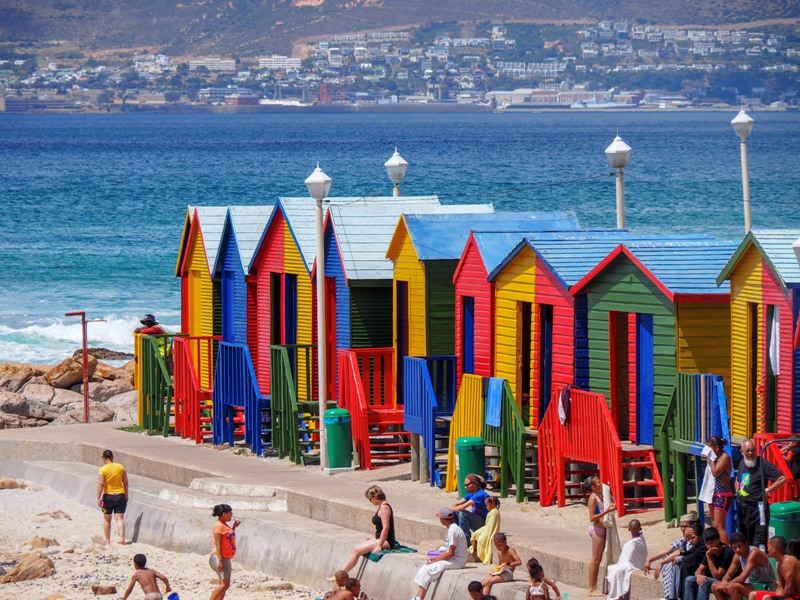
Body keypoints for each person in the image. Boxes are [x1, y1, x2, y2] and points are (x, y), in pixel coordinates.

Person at [736, 439, 787, 550]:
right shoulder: (741, 463)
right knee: (743, 537)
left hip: (756, 508)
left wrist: (768, 490)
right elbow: (737, 480)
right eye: (747, 451)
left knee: (758, 539)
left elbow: (782, 478)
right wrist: (738, 493)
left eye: (752, 450)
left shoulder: (763, 464)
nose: (750, 453)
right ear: (742, 452)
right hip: (742, 506)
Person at [411, 507, 468, 600]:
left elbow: (450, 553)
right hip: (455, 558)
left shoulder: (453, 531)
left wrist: (434, 560)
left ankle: (419, 598)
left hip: (457, 561)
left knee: (426, 569)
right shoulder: (453, 528)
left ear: (442, 519)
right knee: (429, 565)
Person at [339, 485, 396, 573]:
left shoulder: (385, 508)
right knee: (355, 548)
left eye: (370, 499)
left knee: (356, 551)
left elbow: (386, 528)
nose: (370, 502)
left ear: (375, 498)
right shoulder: (380, 506)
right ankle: (341, 573)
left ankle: (341, 575)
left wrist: (379, 545)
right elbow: (379, 527)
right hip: (378, 537)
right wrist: (374, 537)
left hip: (386, 540)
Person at [644, 511, 701, 600]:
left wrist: (661, 563)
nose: (682, 529)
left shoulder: (695, 537)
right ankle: (670, 595)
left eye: (685, 526)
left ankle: (674, 596)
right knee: (667, 557)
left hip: (694, 566)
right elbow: (668, 549)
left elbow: (681, 552)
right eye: (681, 526)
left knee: (675, 561)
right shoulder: (684, 537)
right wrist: (650, 560)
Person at [710, 531, 776, 599]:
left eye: (740, 546)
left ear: (746, 543)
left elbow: (742, 578)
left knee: (732, 587)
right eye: (734, 548)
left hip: (767, 587)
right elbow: (728, 575)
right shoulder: (737, 556)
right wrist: (724, 582)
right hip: (752, 586)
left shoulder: (754, 553)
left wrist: (725, 585)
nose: (738, 550)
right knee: (714, 586)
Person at [684, 527, 740, 600]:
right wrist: (699, 576)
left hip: (727, 582)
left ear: (718, 539)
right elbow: (698, 571)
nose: (709, 546)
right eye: (707, 543)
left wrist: (709, 557)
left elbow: (717, 575)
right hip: (714, 581)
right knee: (689, 579)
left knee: (704, 582)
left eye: (711, 543)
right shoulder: (709, 551)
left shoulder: (727, 552)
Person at [583, 475, 617, 596]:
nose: (600, 483)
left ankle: (594, 586)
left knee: (599, 559)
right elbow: (592, 518)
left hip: (602, 530)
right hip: (597, 530)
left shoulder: (600, 495)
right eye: (597, 482)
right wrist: (606, 511)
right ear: (593, 487)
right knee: (595, 559)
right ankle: (592, 588)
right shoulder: (593, 498)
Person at [606, 519, 648, 600]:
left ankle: (619, 596)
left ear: (629, 529)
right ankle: (619, 595)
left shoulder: (631, 544)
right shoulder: (641, 540)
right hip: (639, 564)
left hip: (633, 565)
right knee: (614, 569)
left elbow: (626, 560)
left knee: (618, 570)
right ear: (640, 528)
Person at [97, 449, 128, 545]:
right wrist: (126, 495)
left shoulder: (103, 469)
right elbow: (126, 482)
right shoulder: (121, 467)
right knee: (120, 518)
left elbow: (101, 484)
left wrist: (98, 497)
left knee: (107, 519)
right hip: (120, 495)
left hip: (108, 496)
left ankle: (107, 541)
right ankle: (122, 538)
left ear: (104, 458)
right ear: (112, 457)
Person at [209, 503, 240, 600]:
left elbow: (228, 537)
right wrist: (220, 561)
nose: (231, 515)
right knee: (225, 585)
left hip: (225, 558)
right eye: (230, 513)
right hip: (219, 557)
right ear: (224, 514)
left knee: (224, 585)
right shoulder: (219, 526)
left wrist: (234, 527)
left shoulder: (224, 525)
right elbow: (218, 545)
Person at [706, 436, 734, 544]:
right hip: (714, 493)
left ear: (716, 448)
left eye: (710, 449)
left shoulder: (724, 457)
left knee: (719, 525)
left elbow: (715, 472)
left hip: (722, 494)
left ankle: (726, 550)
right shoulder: (716, 458)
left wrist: (711, 459)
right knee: (714, 524)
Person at [452, 474, 490, 543]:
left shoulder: (480, 494)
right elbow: (458, 504)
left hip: (484, 523)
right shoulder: (471, 494)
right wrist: (449, 512)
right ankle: (458, 536)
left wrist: (446, 511)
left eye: (467, 485)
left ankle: (466, 541)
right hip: (477, 520)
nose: (465, 487)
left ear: (474, 484)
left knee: (463, 514)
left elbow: (462, 507)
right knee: (453, 513)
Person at [471, 496, 501, 565]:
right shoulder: (491, 512)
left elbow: (492, 526)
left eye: (487, 505)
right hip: (487, 528)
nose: (486, 507)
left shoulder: (494, 512)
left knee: (481, 539)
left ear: (492, 504)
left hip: (491, 530)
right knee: (476, 534)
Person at [780, 436, 800, 500]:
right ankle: (799, 496)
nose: (787, 444)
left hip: (794, 469)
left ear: (794, 443)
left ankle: (792, 496)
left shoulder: (791, 451)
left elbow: (788, 459)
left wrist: (782, 456)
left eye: (789, 443)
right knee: (798, 483)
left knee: (790, 482)